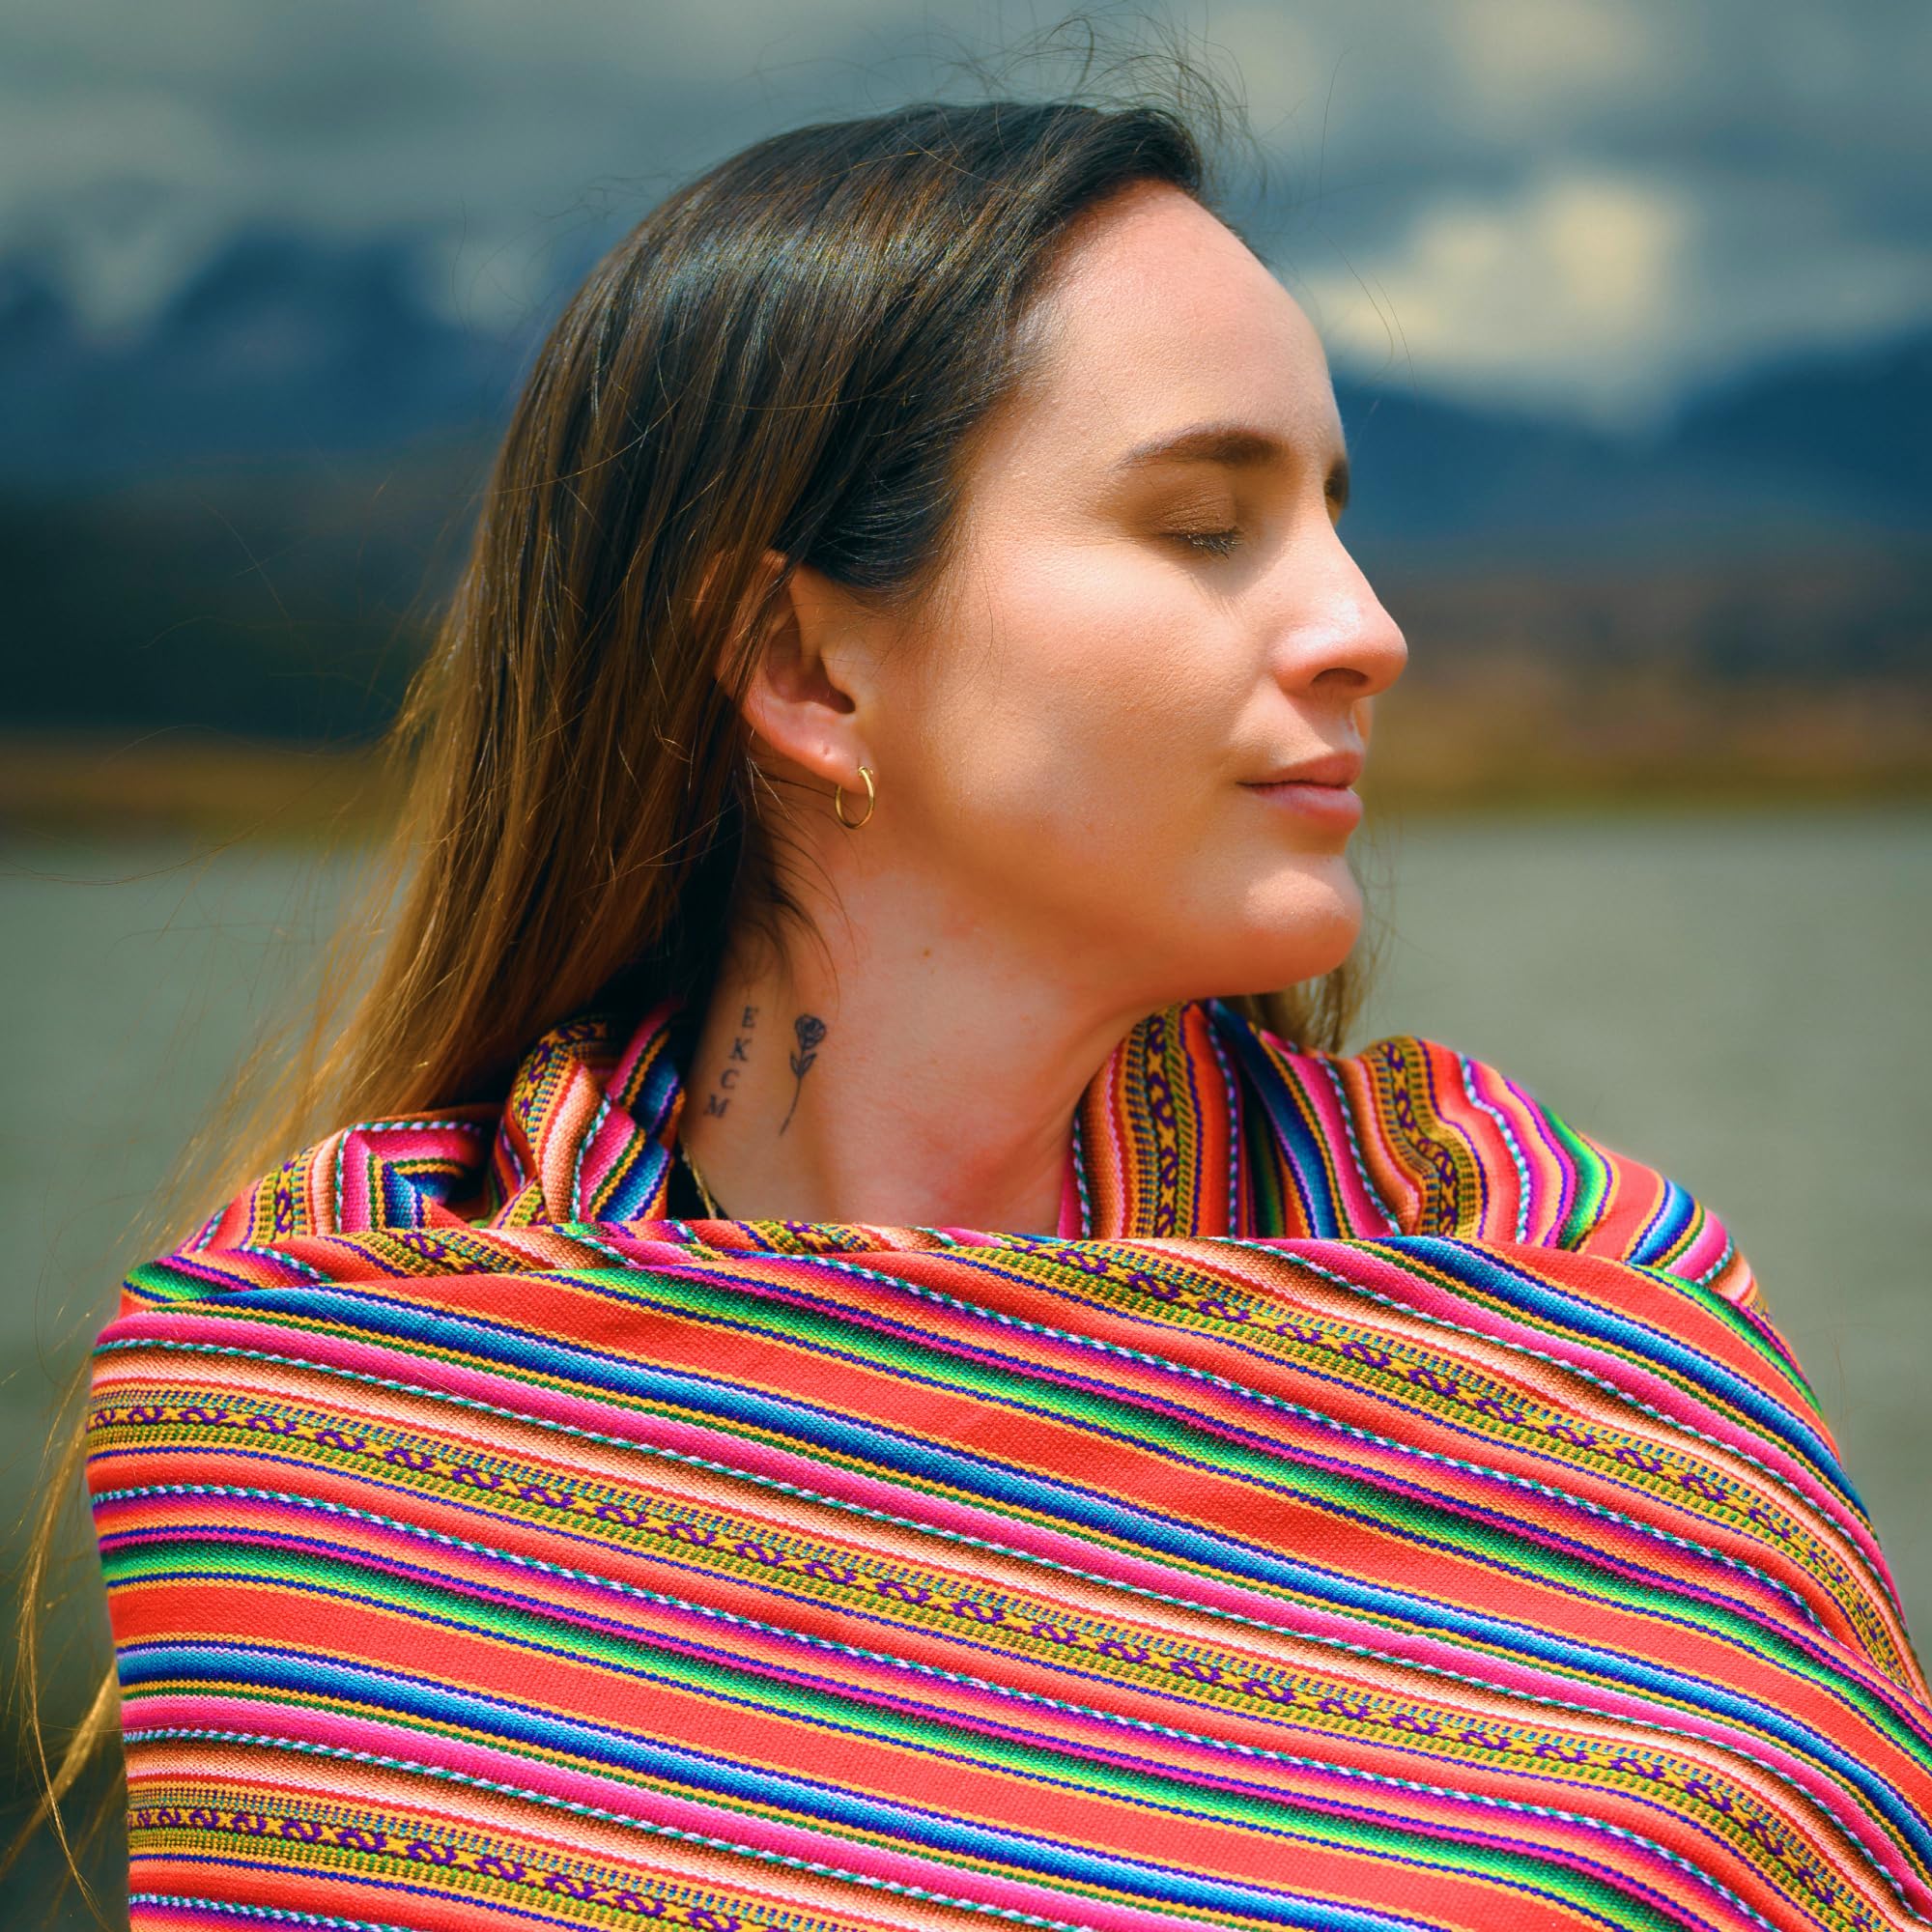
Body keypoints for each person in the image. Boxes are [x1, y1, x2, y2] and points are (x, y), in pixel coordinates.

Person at [26, 93, 1932, 1930]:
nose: (1366, 624)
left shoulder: (1582, 1319)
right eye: (1204, 525)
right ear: (803, 668)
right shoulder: (329, 1429)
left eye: (1334, 516)